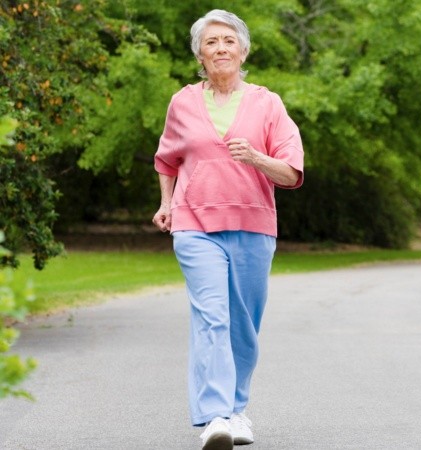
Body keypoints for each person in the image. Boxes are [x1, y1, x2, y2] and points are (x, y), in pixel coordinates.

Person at [152, 9, 304, 450]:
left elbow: (292, 172)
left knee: (243, 326)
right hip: (195, 222)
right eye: (211, 42)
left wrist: (255, 156)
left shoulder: (268, 103)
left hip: (254, 225)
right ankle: (215, 416)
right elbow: (167, 159)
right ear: (200, 54)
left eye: (228, 41)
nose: (220, 48)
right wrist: (166, 203)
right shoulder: (182, 102)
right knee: (212, 316)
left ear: (243, 50)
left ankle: (237, 411)